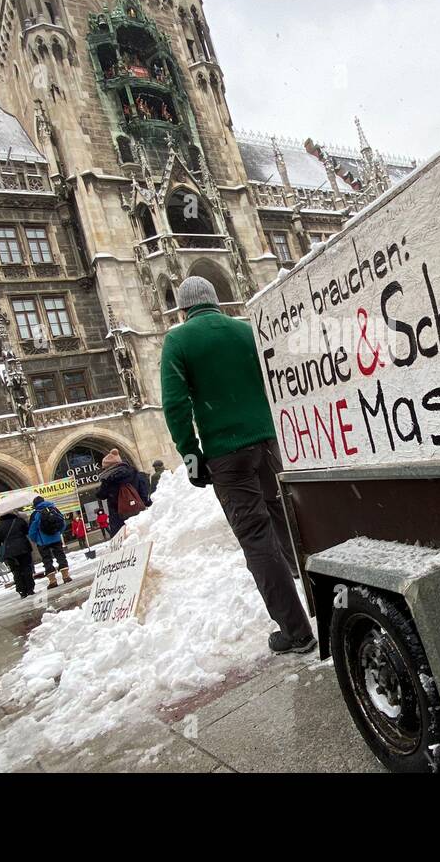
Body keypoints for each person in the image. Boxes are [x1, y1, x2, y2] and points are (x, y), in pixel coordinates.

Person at [160, 275, 315, 655]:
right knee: (288, 523)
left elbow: (176, 405)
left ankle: (296, 632)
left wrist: (190, 452)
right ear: (216, 301)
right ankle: (324, 599)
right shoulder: (245, 332)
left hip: (227, 454)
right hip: (268, 442)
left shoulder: (178, 341)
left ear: (183, 308)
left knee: (256, 536)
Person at [95, 449, 150, 537]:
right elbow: (144, 492)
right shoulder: (134, 473)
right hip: (138, 512)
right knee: (143, 535)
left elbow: (100, 495)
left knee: (125, 541)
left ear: (109, 467)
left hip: (118, 517)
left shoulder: (108, 479)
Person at [28, 496, 71, 588]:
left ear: (35, 505)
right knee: (60, 556)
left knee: (47, 560)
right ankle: (66, 576)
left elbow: (32, 531)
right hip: (56, 538)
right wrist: (58, 532)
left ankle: (53, 581)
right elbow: (62, 522)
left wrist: (36, 539)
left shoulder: (35, 514)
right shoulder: (53, 509)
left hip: (43, 542)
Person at [0, 509, 34, 598]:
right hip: (23, 548)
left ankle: (21, 590)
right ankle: (30, 589)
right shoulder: (19, 521)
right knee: (27, 568)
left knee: (16, 571)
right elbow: (27, 531)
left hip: (9, 551)